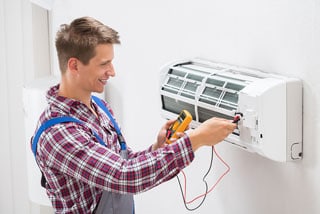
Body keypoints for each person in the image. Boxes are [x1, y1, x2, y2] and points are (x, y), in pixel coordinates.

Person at [31, 16, 236, 214]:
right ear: (74, 65)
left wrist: (157, 148)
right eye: (103, 64)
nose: (112, 72)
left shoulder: (99, 107)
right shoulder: (59, 134)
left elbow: (123, 163)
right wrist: (195, 140)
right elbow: (125, 177)